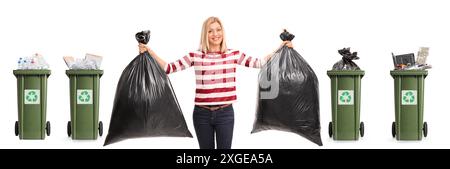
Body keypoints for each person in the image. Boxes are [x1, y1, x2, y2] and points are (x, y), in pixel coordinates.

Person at [139, 16, 293, 149]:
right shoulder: (195, 56)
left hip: (225, 114)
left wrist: (281, 47)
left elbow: (259, 63)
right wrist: (149, 52)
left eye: (218, 30)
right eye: (210, 30)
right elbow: (168, 68)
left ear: (223, 32)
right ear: (205, 34)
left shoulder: (233, 54)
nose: (215, 34)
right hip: (201, 114)